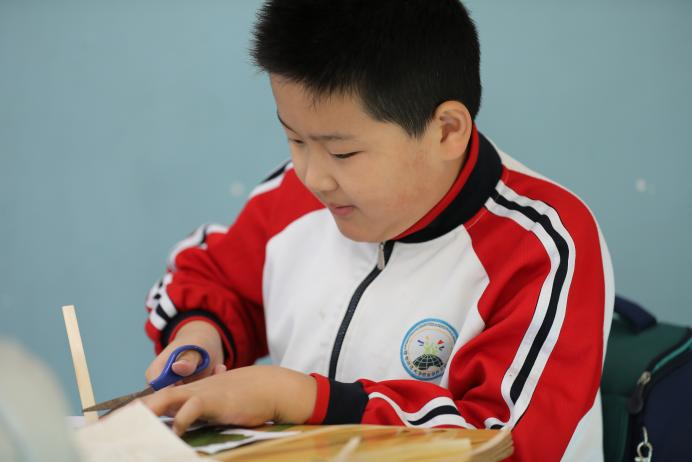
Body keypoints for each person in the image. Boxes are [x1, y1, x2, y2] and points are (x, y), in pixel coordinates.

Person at [141, 1, 614, 460]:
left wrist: (302, 399)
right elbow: (215, 279)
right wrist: (200, 339)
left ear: (447, 130)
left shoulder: (543, 246)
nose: (313, 177)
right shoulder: (294, 196)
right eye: (295, 139)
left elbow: (500, 443)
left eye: (342, 153)